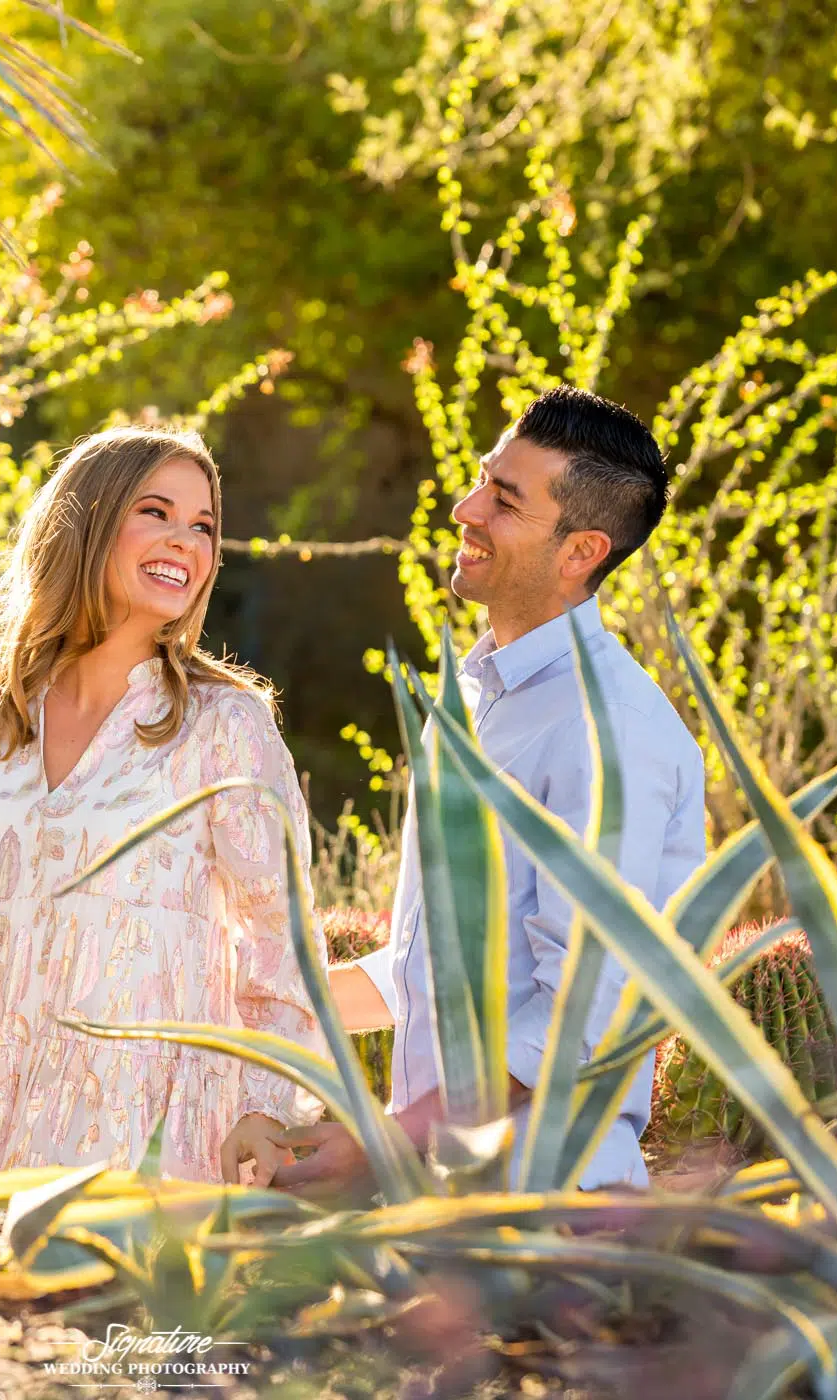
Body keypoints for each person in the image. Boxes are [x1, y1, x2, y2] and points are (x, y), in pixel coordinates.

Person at [275, 386, 706, 1201]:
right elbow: (426, 977)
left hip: (551, 1218)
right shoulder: (478, 701)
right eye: (482, 480)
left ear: (581, 552)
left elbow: (583, 1016)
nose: (464, 509)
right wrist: (246, 1005)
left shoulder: (606, 730)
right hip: (454, 1207)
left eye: (504, 501)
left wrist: (385, 1143)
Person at [0, 426, 328, 1190]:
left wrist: (266, 1102)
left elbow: (280, 938)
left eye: (204, 525)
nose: (185, 540)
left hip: (145, 1130)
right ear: (87, 522)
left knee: (112, 1313)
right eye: (156, 512)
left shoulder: (224, 725)